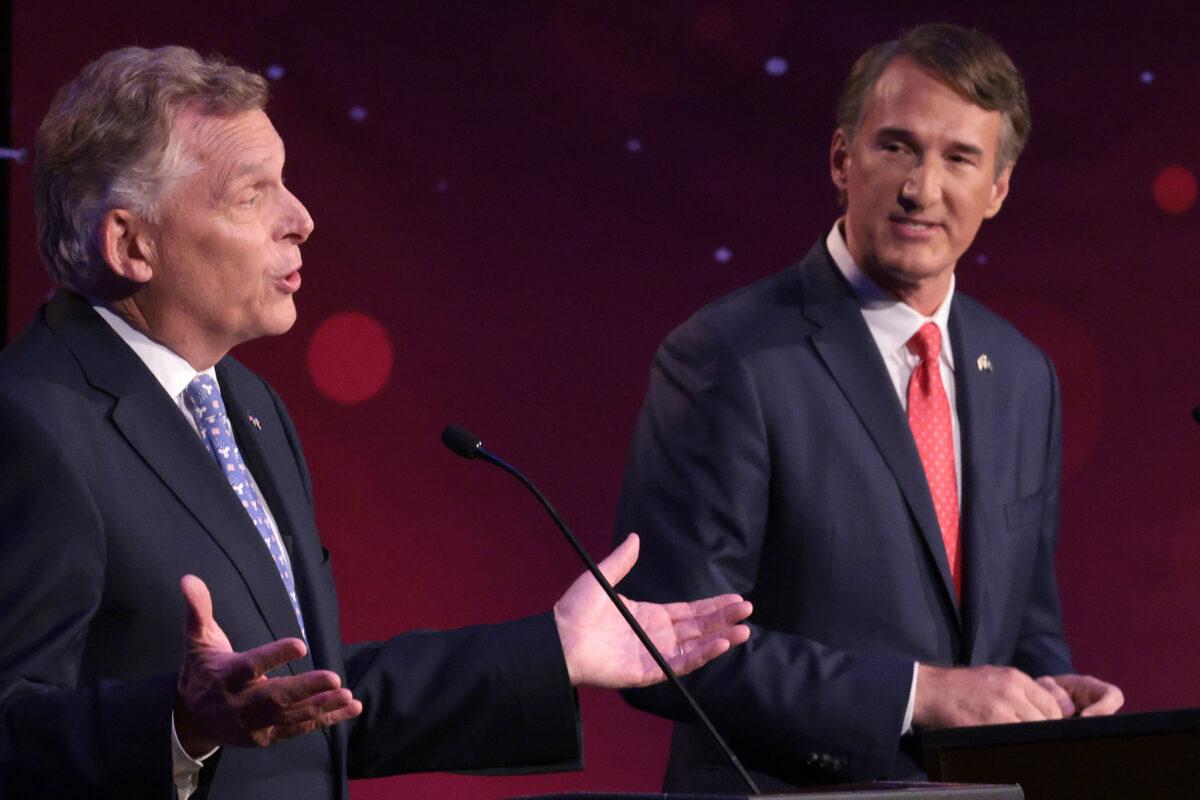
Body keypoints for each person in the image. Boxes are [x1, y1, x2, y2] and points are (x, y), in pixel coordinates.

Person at [0, 46, 753, 800]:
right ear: (132, 244)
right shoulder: (31, 423)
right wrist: (178, 725)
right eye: (250, 196)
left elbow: (314, 707)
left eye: (285, 183)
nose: (300, 219)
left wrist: (550, 653)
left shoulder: (246, 405)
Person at [613, 23, 1123, 792]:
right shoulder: (729, 356)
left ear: (999, 188)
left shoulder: (1023, 374)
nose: (923, 188)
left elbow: (1027, 627)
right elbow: (662, 648)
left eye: (960, 158)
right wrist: (919, 695)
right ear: (841, 160)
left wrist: (1051, 697)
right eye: (896, 147)